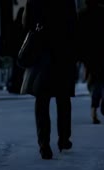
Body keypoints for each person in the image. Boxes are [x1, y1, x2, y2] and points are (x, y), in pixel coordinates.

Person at [20, 0, 77, 160]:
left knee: (42, 101)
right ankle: (64, 139)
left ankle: (44, 145)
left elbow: (26, 25)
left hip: (42, 54)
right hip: (63, 54)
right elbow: (74, 27)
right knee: (63, 99)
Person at [77, 0, 104, 124]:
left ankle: (95, 107)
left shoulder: (82, 15)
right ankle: (102, 100)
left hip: (88, 53)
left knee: (95, 79)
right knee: (100, 78)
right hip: (103, 51)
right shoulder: (103, 14)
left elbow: (79, 36)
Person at [7, 7, 27, 94]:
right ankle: (18, 87)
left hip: (15, 51)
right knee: (21, 70)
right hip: (22, 50)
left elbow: (11, 39)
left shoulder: (14, 24)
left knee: (16, 70)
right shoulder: (24, 25)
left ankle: (15, 86)